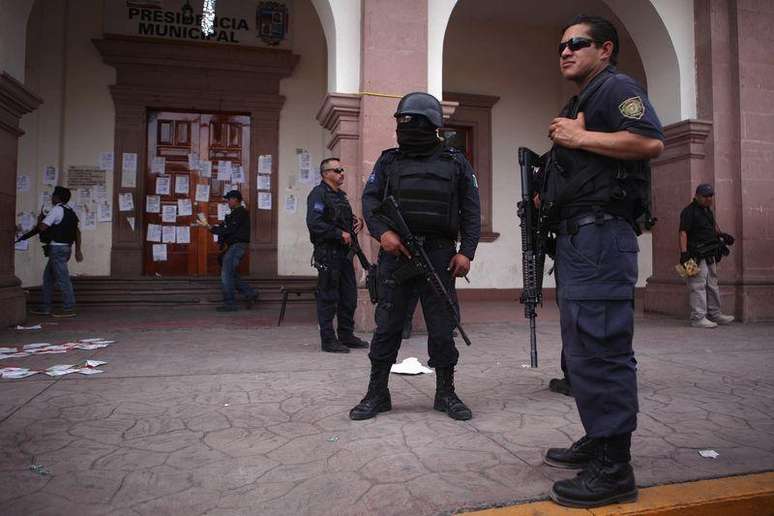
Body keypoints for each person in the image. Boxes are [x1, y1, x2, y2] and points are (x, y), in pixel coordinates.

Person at [538, 16, 664, 508]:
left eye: (577, 43)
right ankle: (600, 439)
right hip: (578, 241)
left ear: (605, 49)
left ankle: (615, 468)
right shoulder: (584, 98)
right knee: (583, 350)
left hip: (600, 238)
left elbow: (650, 142)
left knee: (602, 346)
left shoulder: (616, 88)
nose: (565, 51)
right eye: (561, 45)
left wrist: (579, 138)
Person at [350, 92, 481, 421]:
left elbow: (471, 210)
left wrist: (467, 252)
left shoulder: (455, 162)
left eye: (413, 122)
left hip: (439, 256)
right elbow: (371, 202)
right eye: (402, 122)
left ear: (433, 125)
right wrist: (383, 234)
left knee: (442, 327)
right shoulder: (389, 161)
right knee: (387, 326)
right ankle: (377, 393)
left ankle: (445, 393)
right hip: (397, 256)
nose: (405, 128)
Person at [306, 158, 370, 353]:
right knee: (328, 297)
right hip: (328, 254)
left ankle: (346, 335)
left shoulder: (340, 196)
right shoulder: (318, 194)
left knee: (348, 296)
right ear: (326, 174)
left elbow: (342, 220)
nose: (342, 173)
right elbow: (314, 223)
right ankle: (328, 340)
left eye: (342, 170)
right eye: (337, 170)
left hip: (344, 255)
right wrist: (338, 233)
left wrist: (357, 222)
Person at [19, 186, 84, 318]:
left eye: (53, 195)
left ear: (57, 197)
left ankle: (69, 307)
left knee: (63, 278)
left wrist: (40, 218)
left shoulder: (57, 210)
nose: (52, 198)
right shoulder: (70, 211)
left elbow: (42, 227)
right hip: (66, 248)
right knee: (48, 278)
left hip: (57, 249)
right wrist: (78, 250)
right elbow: (77, 232)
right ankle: (46, 307)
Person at [679, 184, 735, 328]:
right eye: (706, 196)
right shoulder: (688, 211)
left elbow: (712, 228)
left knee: (712, 284)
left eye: (711, 196)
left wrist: (722, 235)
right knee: (696, 284)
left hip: (709, 252)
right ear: (697, 195)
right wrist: (684, 253)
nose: (709, 199)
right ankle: (698, 317)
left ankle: (714, 314)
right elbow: (683, 232)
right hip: (693, 255)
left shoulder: (707, 211)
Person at [201, 190, 258, 312]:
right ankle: (250, 292)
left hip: (237, 246)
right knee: (229, 271)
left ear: (236, 200)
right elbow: (225, 228)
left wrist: (211, 229)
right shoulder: (234, 213)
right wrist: (211, 227)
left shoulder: (241, 213)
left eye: (229, 199)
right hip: (233, 246)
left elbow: (230, 229)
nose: (227, 202)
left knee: (226, 273)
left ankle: (230, 303)